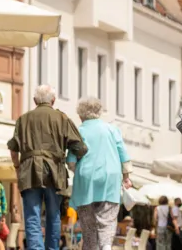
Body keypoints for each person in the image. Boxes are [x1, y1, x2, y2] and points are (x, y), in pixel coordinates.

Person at [9, 85, 88, 250]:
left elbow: (13, 148)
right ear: (53, 100)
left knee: (32, 216)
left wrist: (17, 167)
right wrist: (73, 162)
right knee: (54, 215)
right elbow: (80, 147)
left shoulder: (23, 119)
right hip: (55, 171)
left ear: (34, 101)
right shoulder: (61, 118)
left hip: (29, 170)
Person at [67, 97, 133, 250]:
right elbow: (123, 154)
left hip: (85, 179)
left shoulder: (79, 131)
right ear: (99, 112)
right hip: (110, 178)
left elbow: (71, 161)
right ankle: (106, 246)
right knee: (108, 219)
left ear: (80, 114)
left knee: (88, 224)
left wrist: (76, 169)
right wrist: (126, 176)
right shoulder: (111, 129)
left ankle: (91, 246)